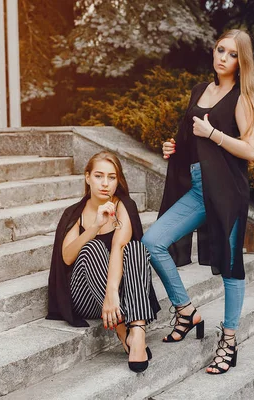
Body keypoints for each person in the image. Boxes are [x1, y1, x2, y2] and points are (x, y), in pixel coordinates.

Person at [141, 29, 254, 375]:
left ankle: (229, 340)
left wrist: (214, 134)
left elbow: (251, 150)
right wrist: (173, 148)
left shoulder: (242, 98)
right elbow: (190, 140)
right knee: (152, 242)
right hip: (196, 188)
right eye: (220, 49)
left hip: (227, 191)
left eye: (232, 54)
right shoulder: (200, 90)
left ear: (241, 62)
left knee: (230, 265)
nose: (223, 57)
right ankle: (186, 310)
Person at [47, 150, 161, 373]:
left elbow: (119, 246)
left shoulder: (124, 206)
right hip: (86, 297)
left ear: (118, 180)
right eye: (99, 176)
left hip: (117, 297)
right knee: (93, 247)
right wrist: (96, 226)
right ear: (87, 177)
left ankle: (137, 331)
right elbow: (67, 256)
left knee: (136, 248)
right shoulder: (74, 213)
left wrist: (111, 293)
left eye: (112, 177)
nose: (105, 183)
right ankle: (122, 330)